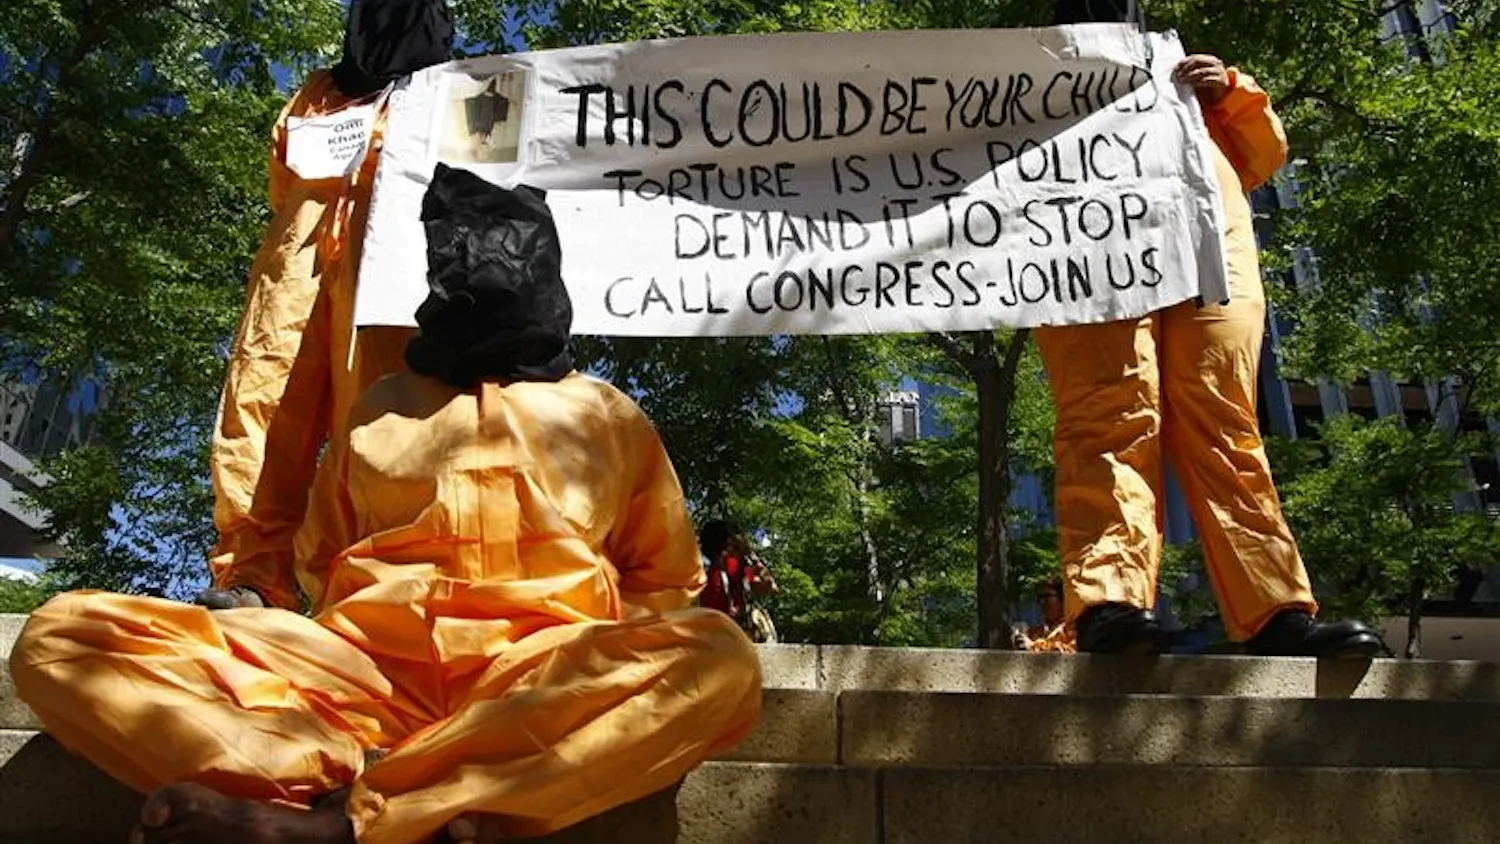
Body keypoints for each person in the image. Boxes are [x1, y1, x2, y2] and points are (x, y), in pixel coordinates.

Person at [10, 167, 763, 844]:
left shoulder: (606, 414)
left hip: (538, 677)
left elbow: (664, 585)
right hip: (357, 681)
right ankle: (391, 793)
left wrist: (568, 691)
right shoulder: (379, 408)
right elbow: (319, 563)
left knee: (720, 661)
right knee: (60, 638)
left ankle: (344, 820)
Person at [1038, 0, 1383, 657]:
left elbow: (1262, 156)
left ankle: (1276, 611)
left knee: (1223, 422)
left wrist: (1228, 91)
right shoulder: (1025, 86)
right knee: (1106, 417)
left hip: (1204, 252)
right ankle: (1109, 603)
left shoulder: (1188, 78)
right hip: (1085, 252)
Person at [203, 0, 454, 613]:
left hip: (387, 272)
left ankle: (378, 587)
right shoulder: (315, 93)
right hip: (293, 277)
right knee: (261, 413)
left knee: (380, 418)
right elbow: (283, 182)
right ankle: (254, 577)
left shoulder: (446, 94)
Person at [699, 521, 779, 643]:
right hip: (716, 637)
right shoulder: (702, 573)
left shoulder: (736, 567)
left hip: (737, 637)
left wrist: (752, 557)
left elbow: (771, 587)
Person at [1013, 579, 1078, 654]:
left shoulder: (1072, 627)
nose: (1042, 602)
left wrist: (1034, 646)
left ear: (1063, 598)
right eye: (1040, 597)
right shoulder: (1036, 632)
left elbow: (1071, 653)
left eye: (1047, 596)